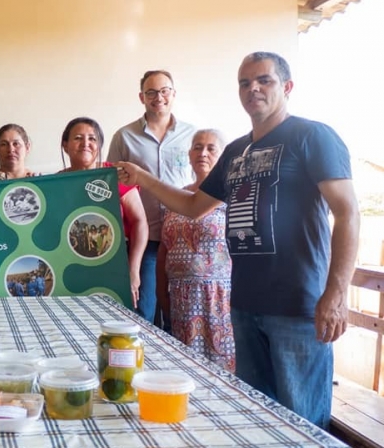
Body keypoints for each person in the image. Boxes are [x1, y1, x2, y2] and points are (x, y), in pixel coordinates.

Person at [117, 52, 360, 428]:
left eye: (264, 80)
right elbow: (194, 204)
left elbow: (347, 214)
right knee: (258, 416)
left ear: (287, 87)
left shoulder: (311, 136)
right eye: (245, 83)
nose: (253, 89)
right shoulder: (235, 152)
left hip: (299, 306)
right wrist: (142, 177)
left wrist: (337, 292)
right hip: (244, 306)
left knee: (302, 421)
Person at [106, 70, 197, 324]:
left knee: (182, 313)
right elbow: (112, 187)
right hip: (145, 241)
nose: (159, 97)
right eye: (151, 92)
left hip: (183, 239)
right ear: (141, 97)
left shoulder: (192, 136)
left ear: (173, 94)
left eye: (164, 90)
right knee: (142, 312)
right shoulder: (124, 137)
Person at [157, 129, 234, 371]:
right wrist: (163, 296)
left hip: (220, 300)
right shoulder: (176, 197)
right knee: (185, 370)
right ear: (189, 155)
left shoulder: (232, 197)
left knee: (223, 369)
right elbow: (164, 250)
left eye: (211, 148)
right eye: (197, 147)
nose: (203, 153)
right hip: (181, 300)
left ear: (222, 157)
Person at [60, 117, 149, 308]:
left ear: (99, 146)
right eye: (78, 138)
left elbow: (140, 222)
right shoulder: (56, 182)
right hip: (73, 266)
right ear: (65, 145)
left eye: (92, 139)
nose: (86, 143)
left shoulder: (117, 175)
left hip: (116, 263)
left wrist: (133, 271)